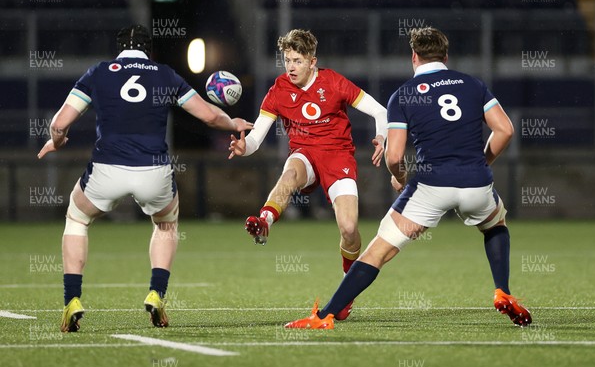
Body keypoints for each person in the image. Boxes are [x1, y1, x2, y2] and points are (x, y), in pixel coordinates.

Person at [284, 27, 532, 329]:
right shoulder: (473, 85)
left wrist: (399, 178)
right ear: (446, 56)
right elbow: (505, 130)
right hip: (477, 183)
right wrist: (482, 161)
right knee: (495, 225)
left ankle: (325, 316)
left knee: (378, 250)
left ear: (414, 57)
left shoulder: (403, 95)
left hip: (431, 186)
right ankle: (503, 291)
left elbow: (393, 156)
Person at [37, 25, 253, 332]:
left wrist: (57, 142)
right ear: (148, 51)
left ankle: (72, 299)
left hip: (107, 168)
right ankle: (157, 292)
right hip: (154, 170)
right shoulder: (163, 74)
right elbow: (207, 115)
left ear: (119, 48)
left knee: (77, 220)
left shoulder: (98, 72)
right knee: (166, 224)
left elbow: (59, 124)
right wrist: (233, 122)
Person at [228, 29, 387, 320]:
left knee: (350, 230)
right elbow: (255, 140)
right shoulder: (278, 90)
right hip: (305, 155)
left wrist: (381, 137)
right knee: (289, 174)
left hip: (338, 157)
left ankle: (347, 290)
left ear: (312, 62)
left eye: (297, 61)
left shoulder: (334, 82)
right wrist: (243, 146)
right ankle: (264, 221)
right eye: (287, 60)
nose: (290, 67)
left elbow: (381, 112)